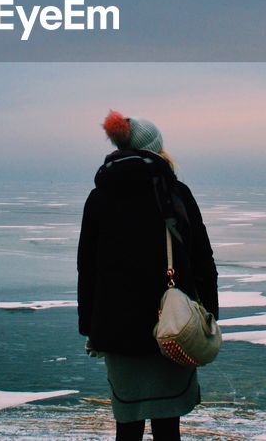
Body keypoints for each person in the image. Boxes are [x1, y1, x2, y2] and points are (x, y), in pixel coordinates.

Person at [77, 111, 219, 441]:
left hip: (115, 330)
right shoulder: (176, 194)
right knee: (168, 426)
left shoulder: (99, 197)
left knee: (126, 425)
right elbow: (203, 260)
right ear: (157, 149)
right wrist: (209, 315)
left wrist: (90, 327)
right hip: (173, 325)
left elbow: (88, 268)